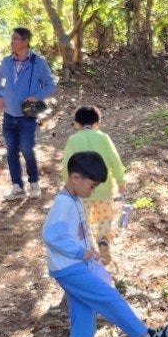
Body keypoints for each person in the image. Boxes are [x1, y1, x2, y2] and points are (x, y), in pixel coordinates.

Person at [43, 151, 168, 337]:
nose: (92, 191)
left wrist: (87, 251)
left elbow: (71, 233)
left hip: (73, 266)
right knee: (108, 297)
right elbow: (51, 235)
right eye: (91, 185)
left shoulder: (73, 199)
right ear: (75, 178)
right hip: (70, 267)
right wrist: (80, 253)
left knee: (84, 316)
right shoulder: (63, 202)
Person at [0, 26, 56, 200]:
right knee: (12, 150)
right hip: (8, 115)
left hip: (27, 116)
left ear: (25, 42)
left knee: (26, 149)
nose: (12, 42)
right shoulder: (7, 61)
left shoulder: (38, 62)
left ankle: (34, 183)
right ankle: (17, 187)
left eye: (16, 39)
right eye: (12, 38)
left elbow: (51, 84)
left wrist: (38, 96)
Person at [61, 106, 126, 264]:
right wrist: (120, 181)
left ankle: (90, 249)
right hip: (103, 188)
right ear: (97, 123)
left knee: (84, 221)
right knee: (105, 217)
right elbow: (115, 160)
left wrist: (67, 184)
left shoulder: (73, 140)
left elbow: (67, 164)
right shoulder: (103, 138)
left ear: (77, 124)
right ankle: (103, 239)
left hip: (81, 190)